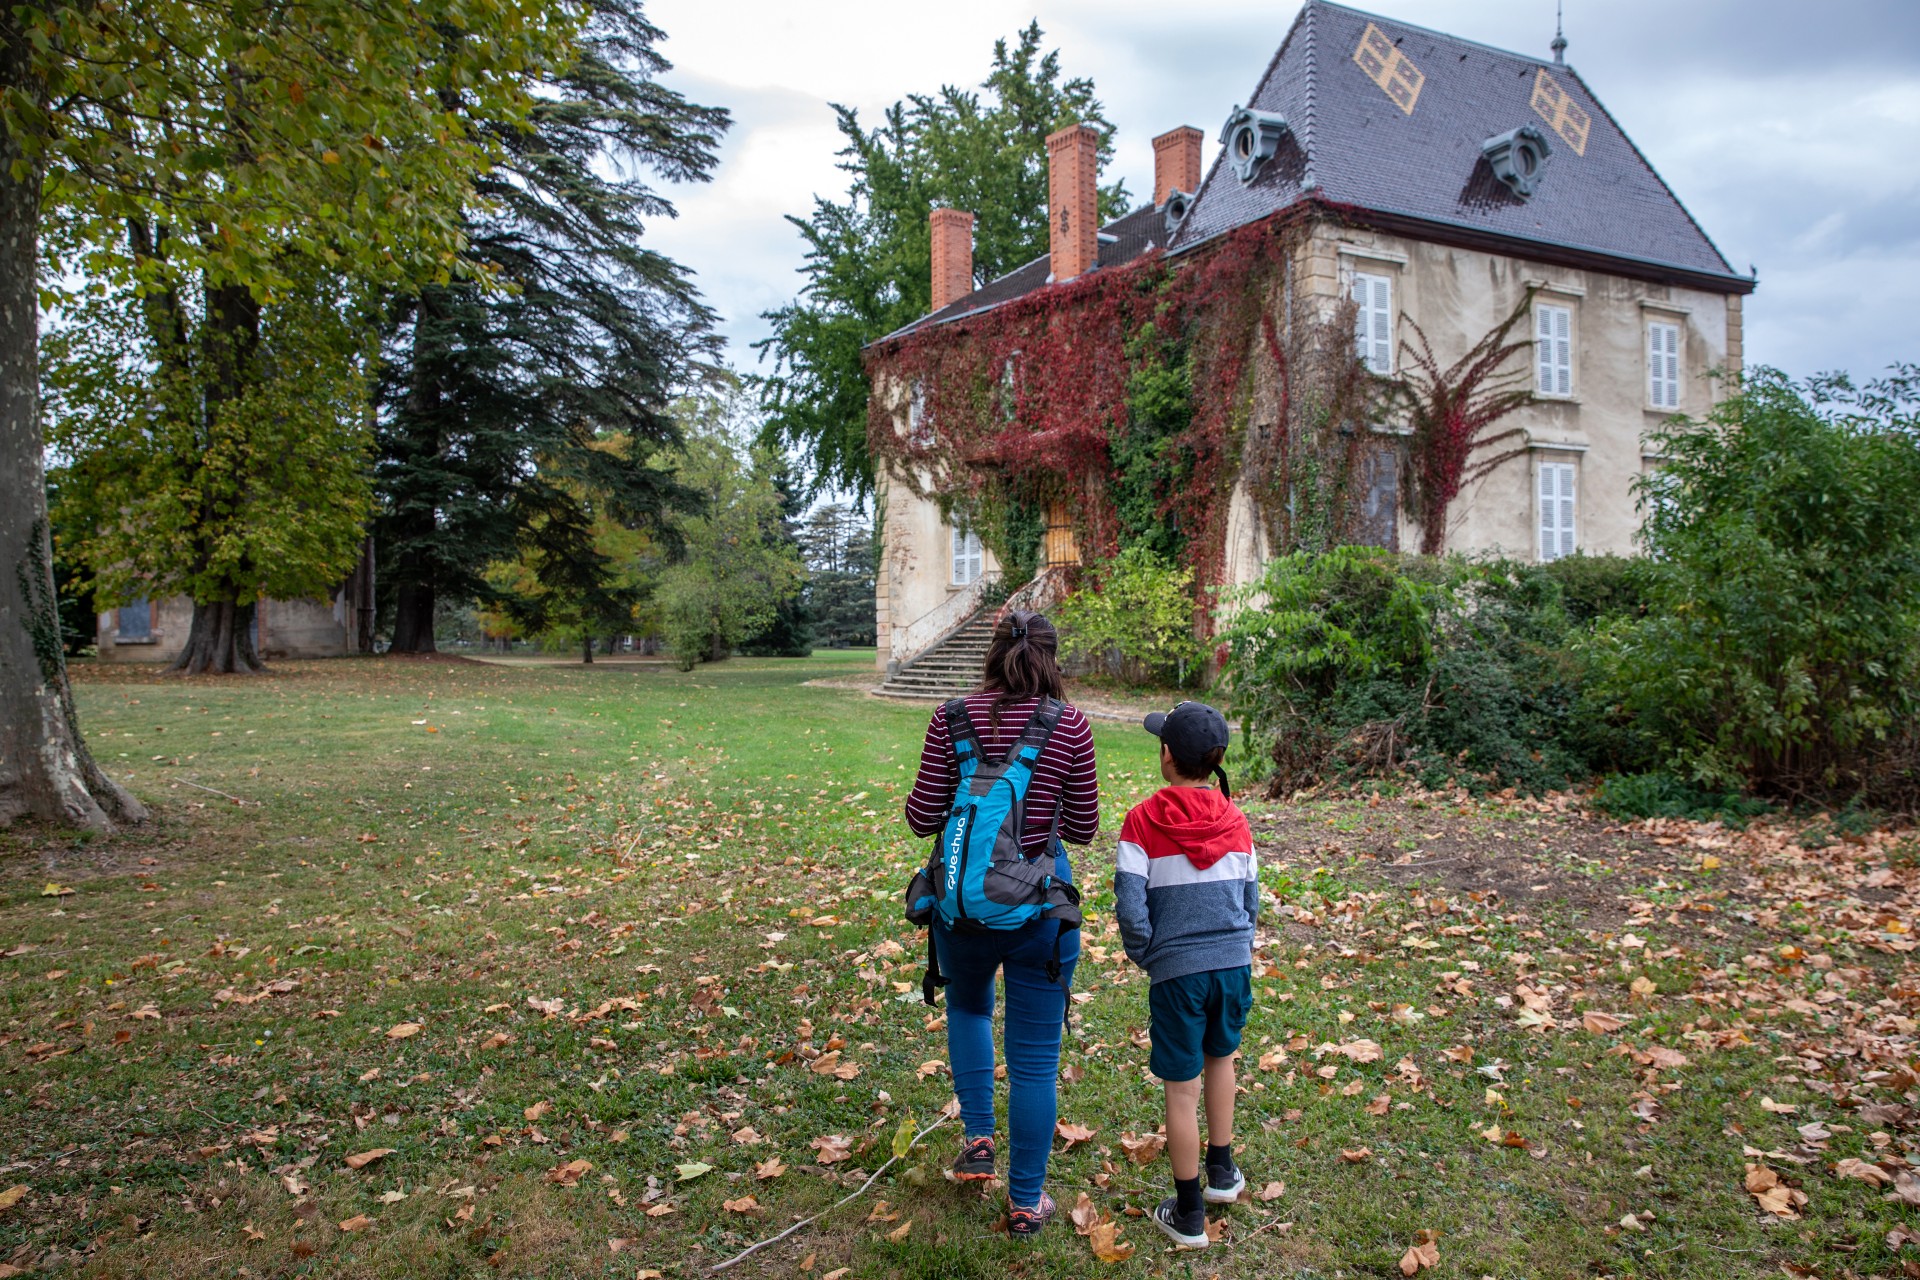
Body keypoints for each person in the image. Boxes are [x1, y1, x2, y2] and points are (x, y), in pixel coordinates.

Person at [903, 609, 1098, 1237]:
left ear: (993, 654)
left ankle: (979, 1142)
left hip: (959, 910)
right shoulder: (1069, 726)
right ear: (1051, 657)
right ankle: (1025, 1201)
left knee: (968, 1010)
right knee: (1037, 1061)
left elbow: (920, 815)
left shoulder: (950, 718)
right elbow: (1084, 828)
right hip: (1037, 912)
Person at [1112, 701, 1259, 1250]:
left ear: (1167, 755)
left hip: (1178, 971)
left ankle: (1190, 1211)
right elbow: (1251, 897)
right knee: (1222, 1058)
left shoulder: (1142, 821)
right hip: (1232, 963)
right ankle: (1222, 1173)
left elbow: (1131, 906)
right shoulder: (1236, 818)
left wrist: (1148, 953)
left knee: (1181, 1089)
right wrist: (1238, 944)